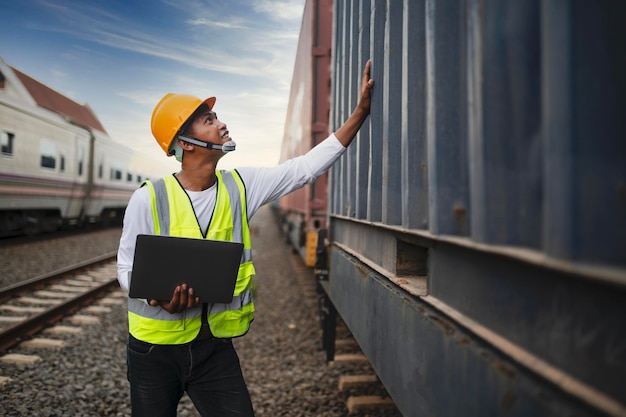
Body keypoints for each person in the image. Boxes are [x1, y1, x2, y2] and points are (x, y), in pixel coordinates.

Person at [116, 60, 374, 416]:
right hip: (153, 351)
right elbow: (126, 267)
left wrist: (360, 114)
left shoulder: (241, 186)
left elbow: (304, 168)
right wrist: (159, 298)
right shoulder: (148, 198)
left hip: (213, 350)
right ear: (185, 143)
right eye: (209, 120)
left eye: (217, 117)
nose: (222, 123)